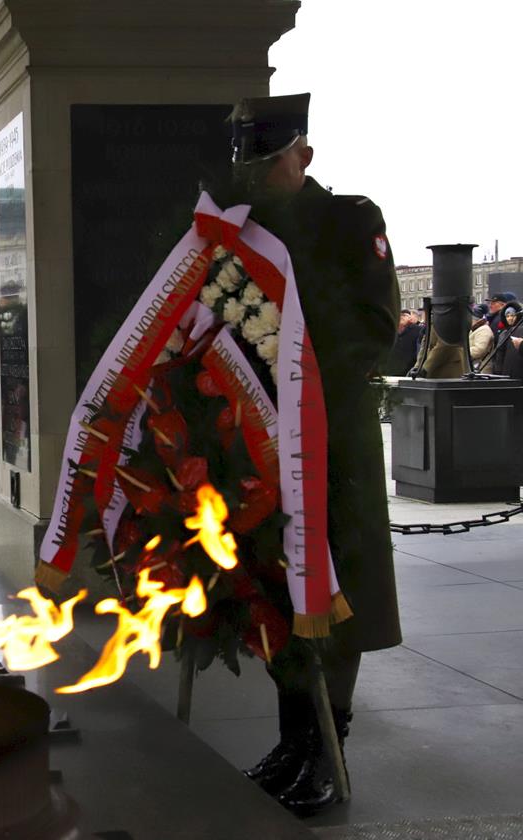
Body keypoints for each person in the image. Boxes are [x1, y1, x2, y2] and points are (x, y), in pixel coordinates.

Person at [227, 93, 401, 817]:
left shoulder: (350, 220)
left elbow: (375, 324)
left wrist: (299, 386)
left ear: (303, 154)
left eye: (269, 163)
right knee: (277, 590)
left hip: (334, 440)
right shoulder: (243, 229)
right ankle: (295, 740)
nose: (258, 178)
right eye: (250, 167)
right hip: (263, 439)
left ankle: (330, 750)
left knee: (337, 592)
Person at [383, 309, 424, 376]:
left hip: (409, 371)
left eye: (404, 315)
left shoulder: (418, 330)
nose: (401, 317)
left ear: (410, 318)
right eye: (400, 315)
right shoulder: (390, 330)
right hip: (391, 371)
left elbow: (420, 349)